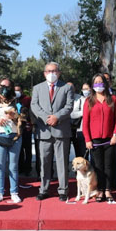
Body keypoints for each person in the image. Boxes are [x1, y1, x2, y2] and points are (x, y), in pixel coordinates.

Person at [31, 62, 74, 202]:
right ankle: (43, 189)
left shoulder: (67, 88)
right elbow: (34, 105)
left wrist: (57, 117)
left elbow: (69, 106)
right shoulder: (37, 88)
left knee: (62, 162)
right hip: (43, 131)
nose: (51, 73)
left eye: (54, 71)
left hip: (61, 130)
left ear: (59, 73)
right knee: (44, 163)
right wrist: (46, 118)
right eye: (49, 71)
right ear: (44, 73)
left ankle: (63, 190)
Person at [82, 73, 116, 202]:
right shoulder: (89, 101)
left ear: (105, 83)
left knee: (109, 166)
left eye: (101, 82)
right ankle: (99, 190)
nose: (99, 85)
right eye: (96, 82)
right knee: (98, 166)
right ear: (92, 85)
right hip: (95, 140)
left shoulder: (113, 99)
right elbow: (85, 122)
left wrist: (115, 134)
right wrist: (87, 139)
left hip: (110, 139)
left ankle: (108, 190)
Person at [15, 83, 33, 175]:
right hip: (17, 128)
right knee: (19, 148)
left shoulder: (27, 99)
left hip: (26, 127)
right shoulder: (13, 99)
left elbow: (31, 112)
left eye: (18, 90)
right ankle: (20, 167)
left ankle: (28, 168)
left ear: (22, 91)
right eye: (15, 90)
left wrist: (29, 123)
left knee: (27, 148)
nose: (16, 92)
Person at [70, 82, 90, 159]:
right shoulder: (62, 99)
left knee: (82, 153)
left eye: (87, 89)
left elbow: (71, 114)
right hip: (68, 129)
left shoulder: (81, 98)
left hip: (79, 129)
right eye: (84, 89)